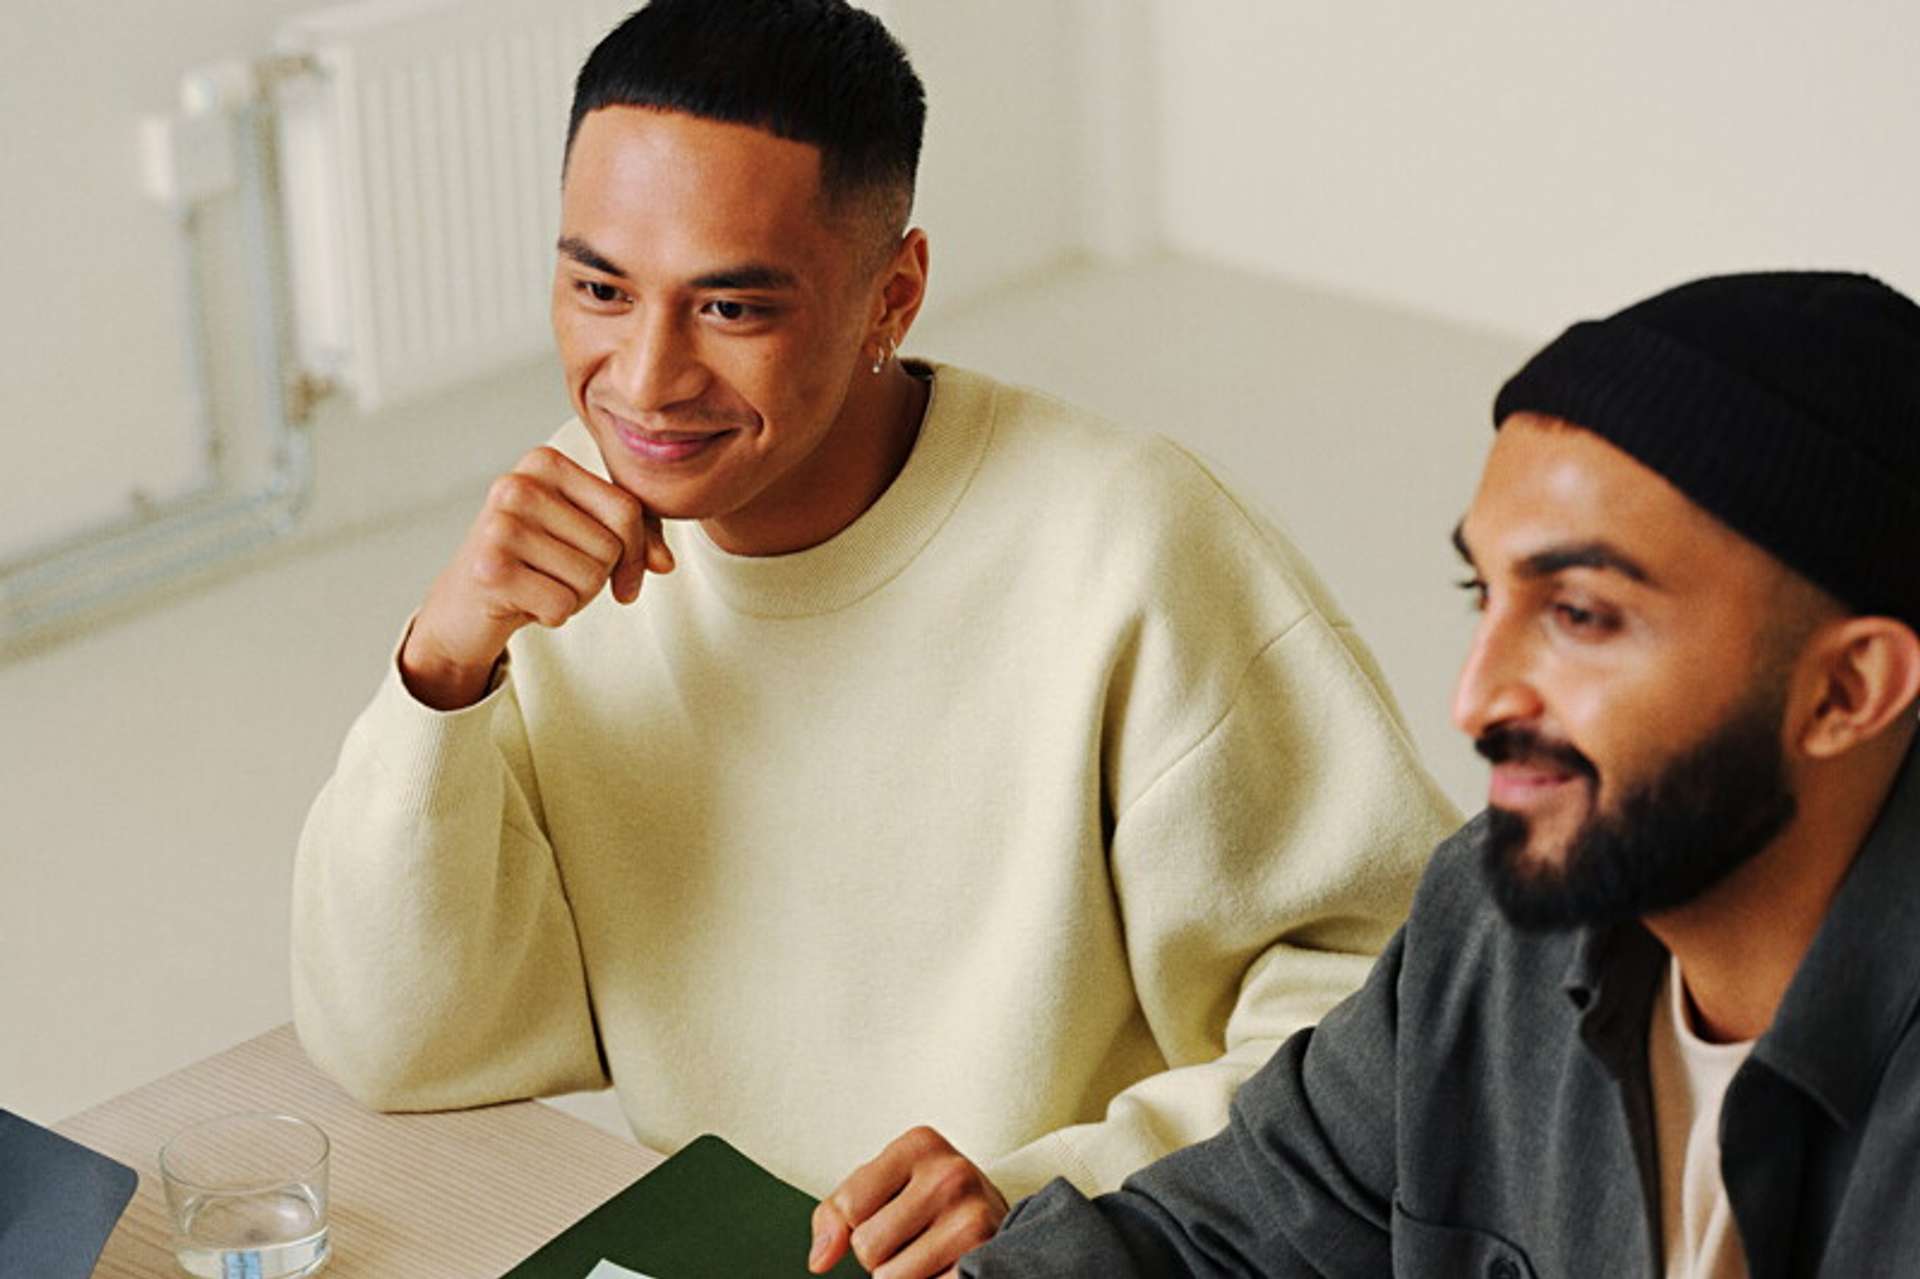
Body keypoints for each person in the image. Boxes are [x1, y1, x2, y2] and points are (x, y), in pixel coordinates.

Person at [290, 2, 1455, 1276]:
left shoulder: (1132, 544)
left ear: (888, 295)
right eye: (599, 289)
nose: (644, 378)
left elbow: (1401, 1019)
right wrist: (443, 668)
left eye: (730, 308)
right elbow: (399, 1046)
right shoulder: (565, 549)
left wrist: (1047, 1191)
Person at [960, 270, 1920, 1277]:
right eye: (1484, 594)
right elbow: (1207, 1243)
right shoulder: (1495, 927)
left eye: (1581, 614)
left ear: (1846, 690)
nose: (1475, 699)